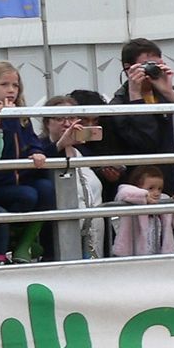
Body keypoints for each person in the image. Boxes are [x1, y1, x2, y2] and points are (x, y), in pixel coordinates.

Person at [91, 38, 174, 197]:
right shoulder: (118, 106)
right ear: (128, 69)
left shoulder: (172, 94)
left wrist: (171, 93)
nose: (152, 70)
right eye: (147, 66)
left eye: (156, 65)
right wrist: (136, 98)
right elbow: (147, 142)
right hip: (145, 193)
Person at [0, 61, 50, 264]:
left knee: (47, 188)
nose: (11, 90)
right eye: (4, 85)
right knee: (27, 195)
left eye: (15, 85)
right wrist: (4, 118)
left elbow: (31, 140)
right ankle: (12, 242)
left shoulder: (20, 114)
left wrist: (36, 152)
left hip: (16, 178)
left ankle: (27, 243)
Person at [39, 95, 106, 258]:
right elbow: (38, 172)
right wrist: (60, 144)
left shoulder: (84, 151)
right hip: (59, 232)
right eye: (60, 118)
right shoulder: (38, 149)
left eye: (72, 117)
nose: (67, 123)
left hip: (93, 228)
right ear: (47, 123)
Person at [112, 165, 174, 256]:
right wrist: (144, 196)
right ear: (137, 187)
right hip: (132, 255)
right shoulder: (132, 200)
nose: (156, 193)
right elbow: (123, 191)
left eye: (159, 189)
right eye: (151, 188)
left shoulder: (163, 201)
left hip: (157, 254)